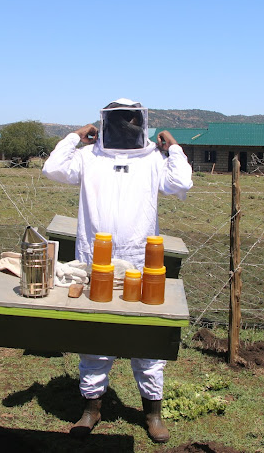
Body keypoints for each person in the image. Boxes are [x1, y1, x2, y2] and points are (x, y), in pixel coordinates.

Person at [42, 98, 193, 442]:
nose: (126, 125)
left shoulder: (154, 159)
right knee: (95, 336)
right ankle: (91, 409)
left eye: (130, 119)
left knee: (147, 338)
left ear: (140, 122)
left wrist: (174, 148)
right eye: (120, 119)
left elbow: (182, 184)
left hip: (142, 263)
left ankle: (152, 414)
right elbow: (52, 168)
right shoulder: (87, 157)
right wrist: (76, 137)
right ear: (106, 122)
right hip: (94, 261)